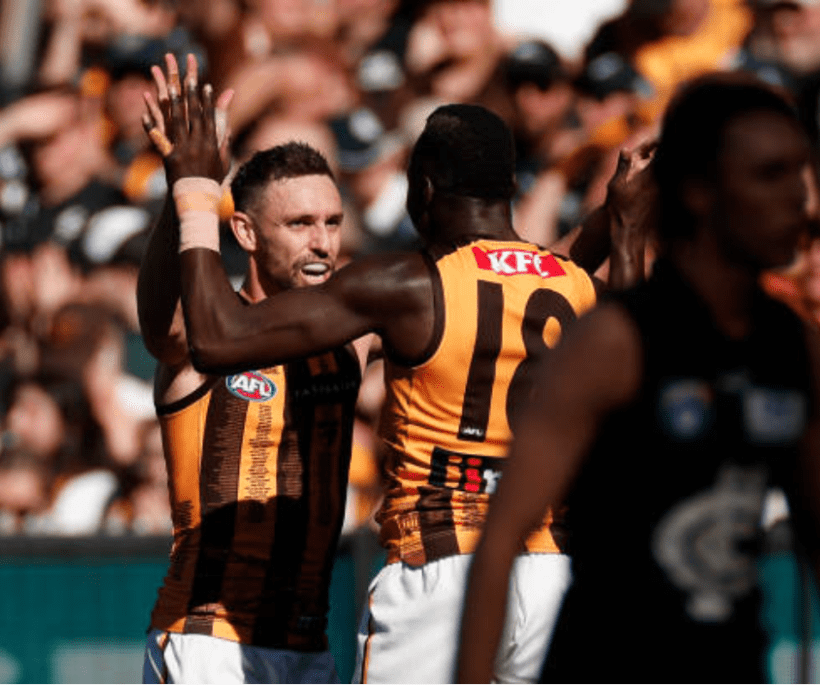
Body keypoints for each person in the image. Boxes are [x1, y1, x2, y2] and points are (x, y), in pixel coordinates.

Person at [154, 52, 646, 683]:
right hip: (555, 571)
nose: (324, 238)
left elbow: (217, 339)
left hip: (441, 566)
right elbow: (608, 315)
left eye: (330, 222)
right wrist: (622, 224)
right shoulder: (573, 286)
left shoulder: (409, 283)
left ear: (425, 190)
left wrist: (195, 192)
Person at [456, 74, 820, 684]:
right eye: (769, 176)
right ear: (699, 190)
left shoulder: (790, 344)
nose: (800, 201)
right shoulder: (613, 342)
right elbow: (499, 542)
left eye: (798, 173)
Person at [137, 55, 365, 683]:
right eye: (299, 224)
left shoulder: (354, 335)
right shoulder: (207, 335)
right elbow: (161, 327)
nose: (322, 242)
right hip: (209, 638)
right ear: (244, 231)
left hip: (311, 642)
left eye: (332, 223)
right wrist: (188, 190)